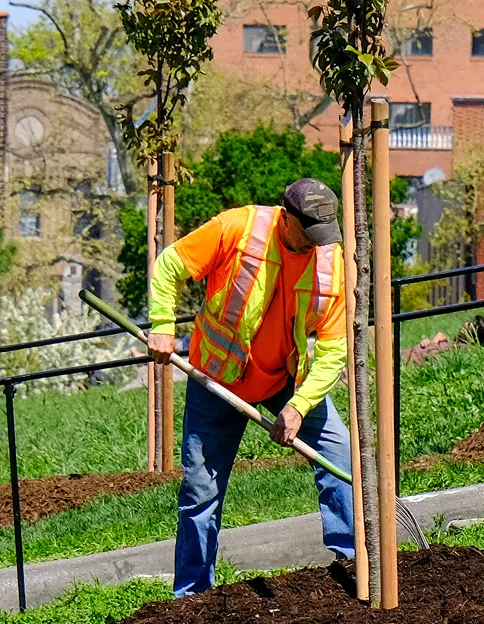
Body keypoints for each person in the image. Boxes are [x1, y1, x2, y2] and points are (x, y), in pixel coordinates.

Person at [147, 177, 353, 596]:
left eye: (324, 234)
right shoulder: (237, 229)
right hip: (216, 381)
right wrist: (162, 326)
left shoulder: (332, 261)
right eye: (310, 232)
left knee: (341, 459)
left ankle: (352, 563)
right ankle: (192, 595)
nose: (318, 243)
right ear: (287, 218)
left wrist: (298, 406)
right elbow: (170, 265)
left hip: (285, 381)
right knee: (201, 490)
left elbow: (334, 351)